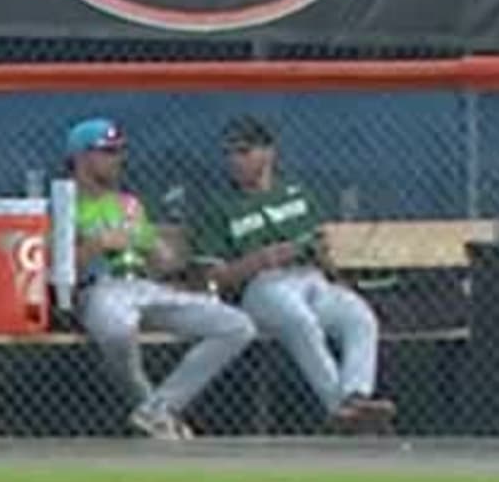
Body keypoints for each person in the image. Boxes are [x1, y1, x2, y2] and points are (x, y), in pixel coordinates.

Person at [188, 116, 394, 432]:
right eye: (230, 153)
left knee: (359, 316)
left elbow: (320, 249)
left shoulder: (296, 194)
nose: (235, 160)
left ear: (268, 153)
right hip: (261, 288)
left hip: (311, 279)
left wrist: (321, 259)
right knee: (301, 321)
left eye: (244, 152)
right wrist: (260, 259)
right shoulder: (219, 206)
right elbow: (211, 278)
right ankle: (340, 407)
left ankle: (356, 396)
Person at [63, 116, 257, 440]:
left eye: (119, 151)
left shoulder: (129, 205)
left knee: (237, 326)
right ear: (81, 157)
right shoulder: (64, 204)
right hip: (99, 289)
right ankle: (151, 406)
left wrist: (159, 250)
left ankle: (157, 409)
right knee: (117, 331)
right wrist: (95, 245)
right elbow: (55, 274)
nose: (117, 159)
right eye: (107, 151)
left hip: (145, 287)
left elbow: (164, 263)